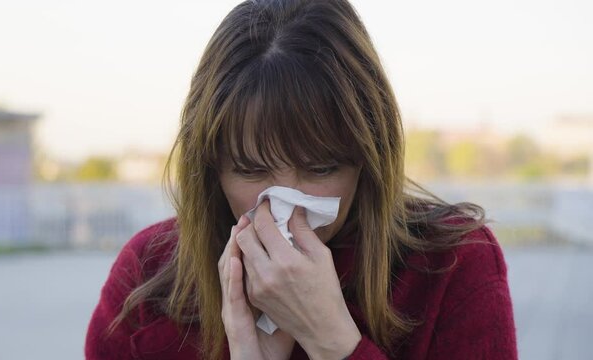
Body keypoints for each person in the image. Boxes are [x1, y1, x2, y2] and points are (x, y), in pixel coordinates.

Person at [85, 0, 518, 359]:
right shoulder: (148, 279)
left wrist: (331, 339)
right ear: (211, 168)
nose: (286, 202)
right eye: (251, 170)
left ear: (369, 159)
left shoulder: (452, 265)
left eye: (322, 168)